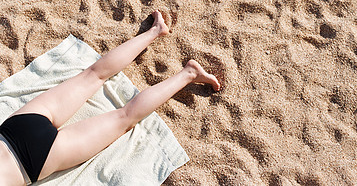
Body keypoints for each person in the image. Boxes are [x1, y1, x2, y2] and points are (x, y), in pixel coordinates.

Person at [0, 11, 220, 185]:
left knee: (125, 117)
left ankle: (189, 74)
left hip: (33, 163)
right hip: (13, 129)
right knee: (93, 74)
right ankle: (155, 30)